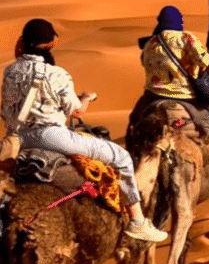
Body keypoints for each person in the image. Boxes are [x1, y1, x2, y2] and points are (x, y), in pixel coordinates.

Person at [1, 19, 168, 243]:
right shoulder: (57, 74)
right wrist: (86, 98)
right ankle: (137, 222)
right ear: (52, 43)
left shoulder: (10, 71)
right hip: (52, 137)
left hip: (18, 139)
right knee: (122, 157)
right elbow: (76, 111)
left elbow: (7, 109)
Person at [137, 6, 209, 175]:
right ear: (178, 21)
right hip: (185, 96)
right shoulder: (186, 38)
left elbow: (144, 63)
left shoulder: (151, 43)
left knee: (135, 122)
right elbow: (204, 60)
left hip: (153, 96)